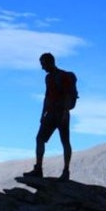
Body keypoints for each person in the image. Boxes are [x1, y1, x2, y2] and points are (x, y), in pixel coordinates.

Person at [22, 52, 73, 180]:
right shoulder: (49, 78)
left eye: (43, 64)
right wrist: (43, 114)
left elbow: (66, 95)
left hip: (59, 112)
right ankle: (41, 168)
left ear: (50, 62)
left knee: (61, 141)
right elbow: (47, 96)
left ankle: (63, 171)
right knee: (45, 139)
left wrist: (64, 112)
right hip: (54, 113)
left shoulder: (62, 76)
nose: (42, 67)